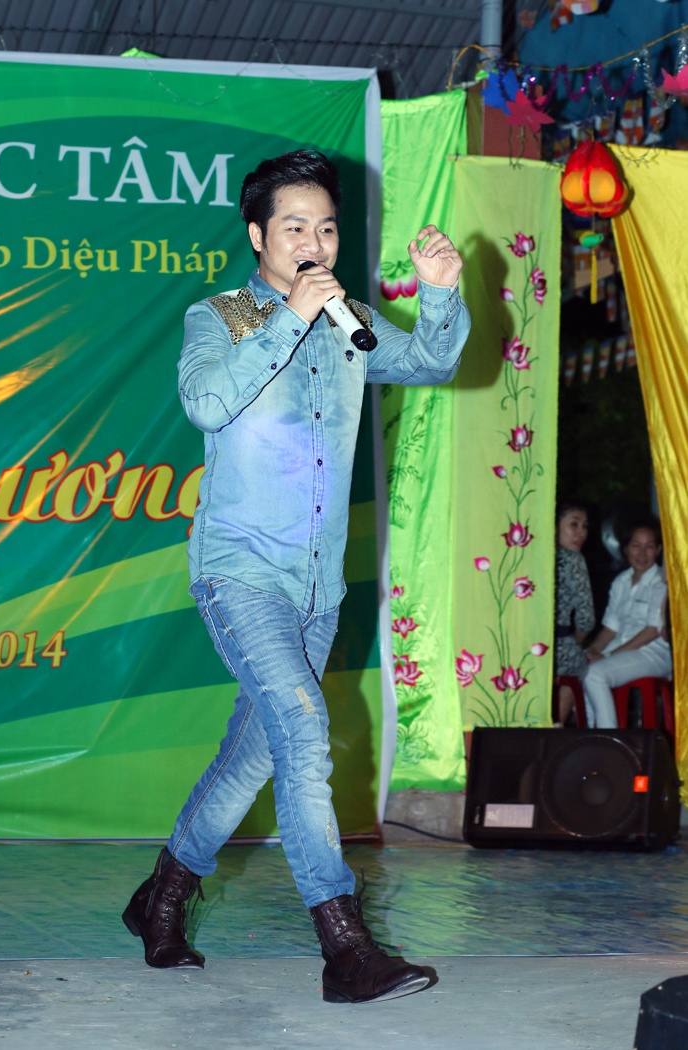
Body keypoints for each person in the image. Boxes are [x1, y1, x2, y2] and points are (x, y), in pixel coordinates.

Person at [122, 149, 471, 1004]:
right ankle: (345, 947)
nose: (314, 243)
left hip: (318, 590)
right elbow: (206, 403)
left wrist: (439, 293)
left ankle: (161, 896)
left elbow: (430, 362)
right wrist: (289, 318)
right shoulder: (222, 315)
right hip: (240, 573)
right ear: (257, 235)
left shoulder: (350, 321)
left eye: (327, 228)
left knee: (252, 758)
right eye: (294, 227)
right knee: (305, 734)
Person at [583, 518, 672, 728]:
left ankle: (608, 740)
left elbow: (652, 631)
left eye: (649, 546)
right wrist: (593, 650)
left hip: (652, 653)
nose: (642, 554)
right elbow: (610, 628)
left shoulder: (660, 582)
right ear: (625, 549)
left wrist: (608, 656)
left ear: (658, 550)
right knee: (582, 666)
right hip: (623, 650)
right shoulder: (621, 581)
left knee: (595, 674)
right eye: (635, 546)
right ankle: (588, 732)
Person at [554, 501, 595, 725]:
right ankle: (555, 725)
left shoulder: (530, 555)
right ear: (555, 526)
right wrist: (576, 642)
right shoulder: (574, 560)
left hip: (527, 648)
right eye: (574, 524)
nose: (581, 533)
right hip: (559, 649)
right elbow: (586, 619)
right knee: (580, 662)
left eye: (585, 526)